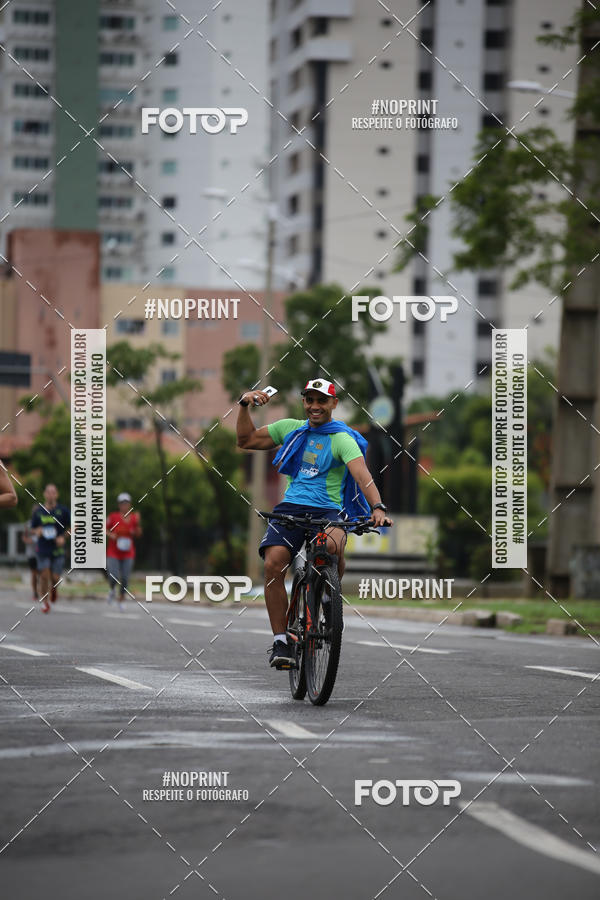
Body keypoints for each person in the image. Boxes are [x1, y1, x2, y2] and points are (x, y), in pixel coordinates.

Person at [236, 378, 393, 669]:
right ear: (304, 402)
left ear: (334, 403)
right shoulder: (291, 429)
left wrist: (378, 506)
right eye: (310, 400)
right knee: (273, 564)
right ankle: (281, 641)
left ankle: (328, 596)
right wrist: (245, 405)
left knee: (332, 544)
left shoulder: (341, 438)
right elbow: (245, 440)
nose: (315, 406)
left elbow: (362, 475)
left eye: (322, 400)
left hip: (328, 510)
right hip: (291, 508)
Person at [31, 484, 70, 613]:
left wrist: (63, 537)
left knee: (55, 577)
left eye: (53, 492)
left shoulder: (63, 511)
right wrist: (38, 531)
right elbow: (33, 529)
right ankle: (45, 602)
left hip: (57, 549)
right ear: (44, 494)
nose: (51, 495)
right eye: (48, 492)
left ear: (57, 495)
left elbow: (74, 527)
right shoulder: (38, 511)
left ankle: (54, 588)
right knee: (44, 575)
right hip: (43, 548)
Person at [106, 492, 141, 608]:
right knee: (114, 576)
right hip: (113, 552)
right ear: (119, 505)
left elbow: (138, 534)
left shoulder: (134, 518)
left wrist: (138, 525)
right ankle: (112, 590)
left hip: (128, 553)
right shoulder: (113, 517)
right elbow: (104, 528)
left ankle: (121, 600)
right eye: (122, 503)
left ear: (130, 505)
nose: (124, 506)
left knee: (125, 578)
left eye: (126, 503)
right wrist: (111, 535)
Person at [23, 505, 40, 603]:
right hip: (31, 553)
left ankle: (42, 591)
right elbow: (24, 538)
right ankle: (35, 592)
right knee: (34, 574)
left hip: (42, 552)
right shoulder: (28, 525)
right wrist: (29, 541)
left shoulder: (44, 524)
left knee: (42, 573)